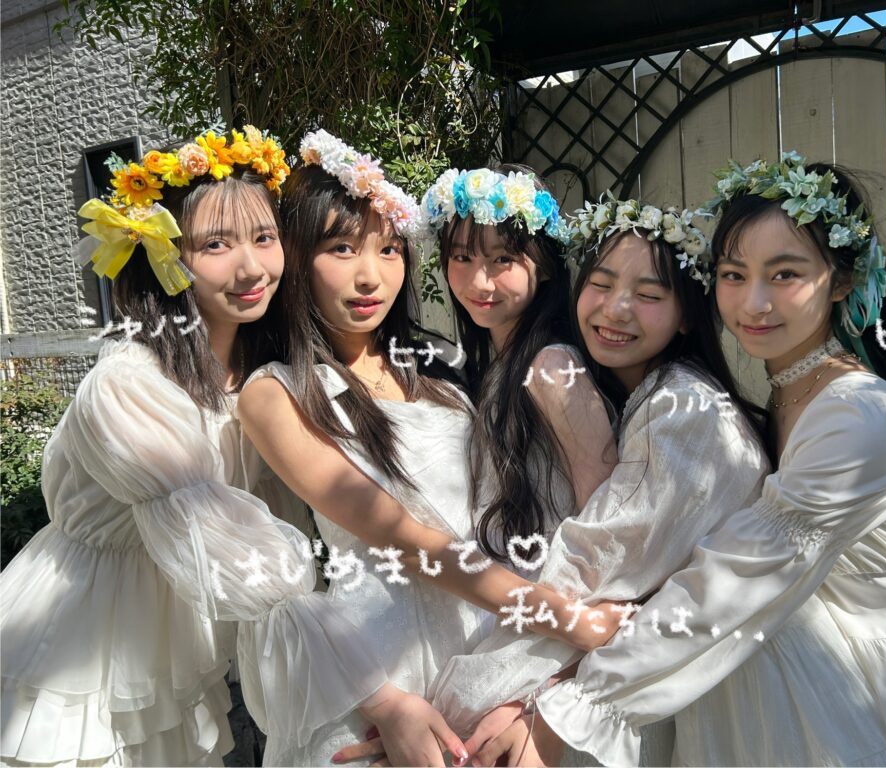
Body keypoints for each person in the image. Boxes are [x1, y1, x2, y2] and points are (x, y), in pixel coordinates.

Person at [529, 153, 886, 766]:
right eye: (734, 275)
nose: (754, 303)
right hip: (841, 650)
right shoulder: (790, 388)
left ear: (840, 281)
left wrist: (582, 704)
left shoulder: (857, 419)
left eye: (784, 274)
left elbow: (741, 575)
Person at [1, 127, 383, 767]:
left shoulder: (264, 377)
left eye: (264, 238)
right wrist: (373, 692)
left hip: (184, 631)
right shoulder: (128, 384)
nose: (251, 268)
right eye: (215, 245)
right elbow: (229, 547)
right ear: (163, 256)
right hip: (92, 635)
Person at [237, 133, 616, 766]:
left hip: (484, 657)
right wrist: (559, 618)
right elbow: (401, 537)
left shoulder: (443, 368)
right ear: (297, 259)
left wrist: (539, 678)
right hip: (380, 671)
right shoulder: (276, 393)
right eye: (341, 249)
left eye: (389, 249)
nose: (371, 276)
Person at [426, 194, 769, 767]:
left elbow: (608, 557)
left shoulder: (565, 368)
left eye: (649, 295)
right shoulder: (526, 368)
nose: (616, 309)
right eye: (460, 258)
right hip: (577, 639)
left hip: (588, 648)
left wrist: (515, 689)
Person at [427, 164, 617, 568]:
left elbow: (602, 510)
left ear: (543, 265)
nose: (480, 282)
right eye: (462, 257)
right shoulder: (500, 363)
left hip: (556, 582)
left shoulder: (552, 366)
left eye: (502, 259)